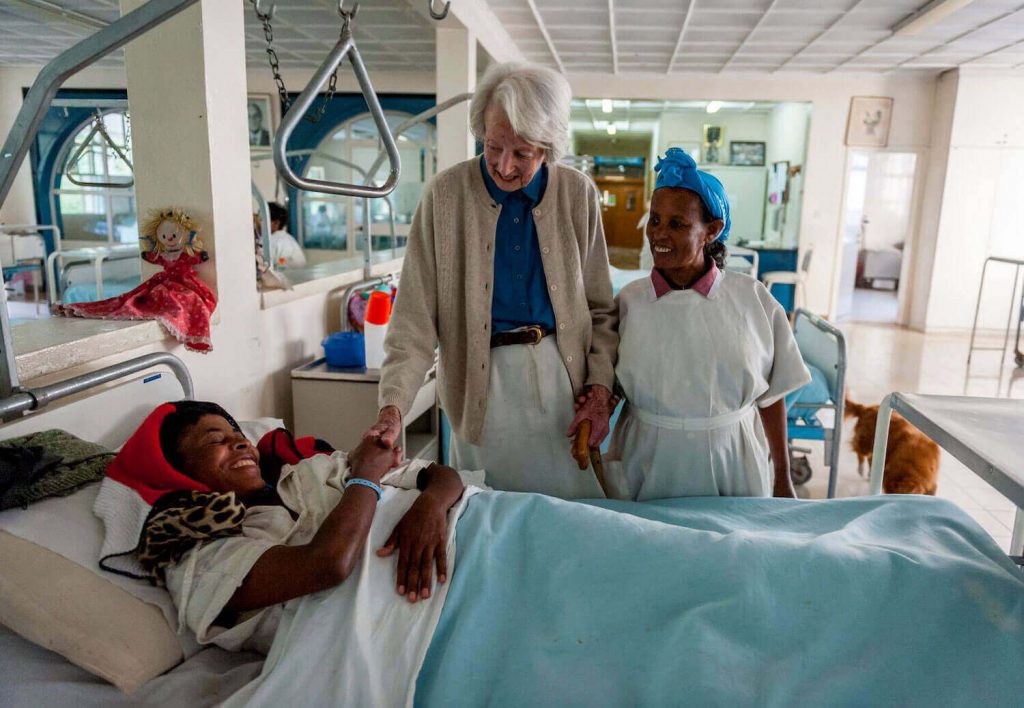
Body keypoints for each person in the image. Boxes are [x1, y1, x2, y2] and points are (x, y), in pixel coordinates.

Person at [365, 62, 618, 499]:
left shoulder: (577, 194)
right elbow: (414, 322)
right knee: (482, 509)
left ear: (550, 147)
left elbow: (600, 308)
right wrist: (393, 407)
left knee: (569, 511)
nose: (502, 166)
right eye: (492, 145)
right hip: (480, 386)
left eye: (522, 154)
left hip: (562, 381)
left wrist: (598, 390)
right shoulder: (445, 196)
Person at [93, 401, 474, 653]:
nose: (240, 445)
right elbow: (327, 565)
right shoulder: (202, 556)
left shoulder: (309, 471)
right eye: (217, 442)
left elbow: (441, 475)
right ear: (180, 471)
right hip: (438, 605)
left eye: (240, 437)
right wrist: (367, 476)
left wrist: (431, 504)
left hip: (474, 527)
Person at [605, 148, 811, 501]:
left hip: (733, 459)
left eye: (677, 224)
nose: (659, 234)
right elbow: (609, 389)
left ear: (711, 231)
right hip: (648, 460)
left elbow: (772, 394)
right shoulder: (629, 302)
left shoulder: (751, 299)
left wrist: (782, 475)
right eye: (654, 220)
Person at [267, 202, 306, 269]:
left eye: (261, 219)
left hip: (288, 276)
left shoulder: (277, 240)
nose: (258, 223)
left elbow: (269, 266)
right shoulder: (286, 237)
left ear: (276, 223)